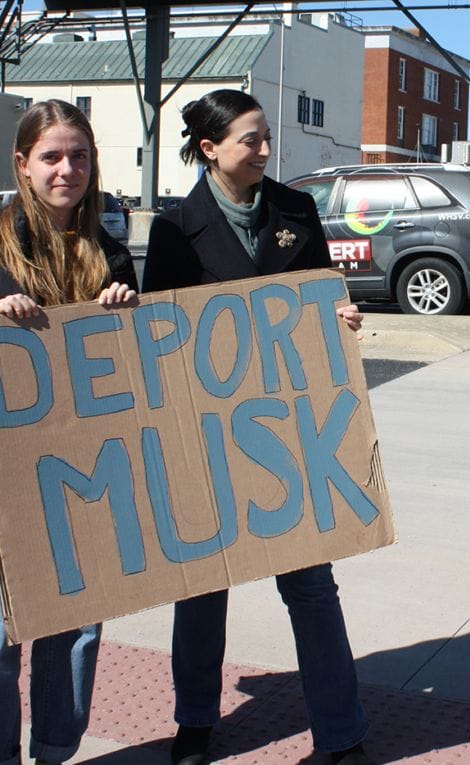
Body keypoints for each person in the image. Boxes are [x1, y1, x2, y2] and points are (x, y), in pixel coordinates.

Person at [142, 89, 370, 765]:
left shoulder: (295, 210)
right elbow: (161, 336)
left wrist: (341, 319)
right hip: (210, 436)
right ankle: (196, 721)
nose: (266, 150)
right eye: (251, 140)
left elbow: (323, 295)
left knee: (311, 584)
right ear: (210, 149)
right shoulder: (174, 228)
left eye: (267, 137)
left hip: (289, 432)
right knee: (204, 586)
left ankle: (343, 732)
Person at [0, 99, 138, 765]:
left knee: (74, 633)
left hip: (87, 476)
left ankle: (55, 749)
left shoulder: (110, 252)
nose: (68, 169)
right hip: (0, 479)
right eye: (52, 156)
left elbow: (135, 373)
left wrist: (127, 319)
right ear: (23, 164)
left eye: (80, 156)